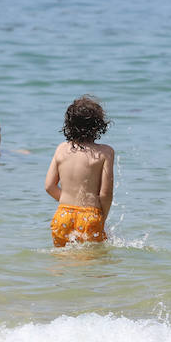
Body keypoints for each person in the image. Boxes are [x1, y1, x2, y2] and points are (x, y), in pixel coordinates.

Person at [44, 97, 114, 247]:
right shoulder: (105, 152)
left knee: (63, 258)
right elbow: (105, 194)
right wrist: (102, 217)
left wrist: (68, 202)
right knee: (93, 260)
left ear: (69, 124)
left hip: (62, 215)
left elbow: (49, 186)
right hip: (90, 215)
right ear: (98, 125)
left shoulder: (61, 149)